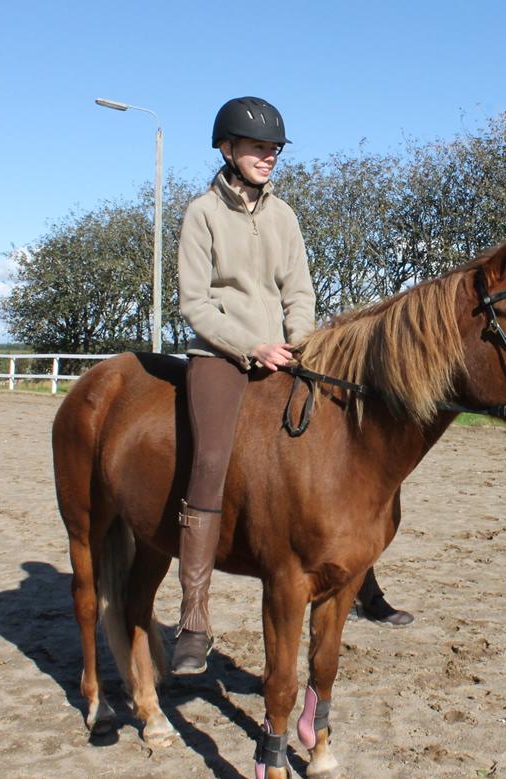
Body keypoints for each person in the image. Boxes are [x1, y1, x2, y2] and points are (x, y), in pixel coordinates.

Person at [173, 96, 411, 676]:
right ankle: (193, 615)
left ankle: (364, 585)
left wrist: (301, 343)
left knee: (344, 453)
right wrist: (248, 346)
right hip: (223, 356)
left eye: (274, 149)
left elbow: (299, 290)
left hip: (288, 354)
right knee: (209, 458)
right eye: (258, 147)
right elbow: (194, 303)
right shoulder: (202, 213)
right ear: (227, 150)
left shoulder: (284, 216)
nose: (269, 157)